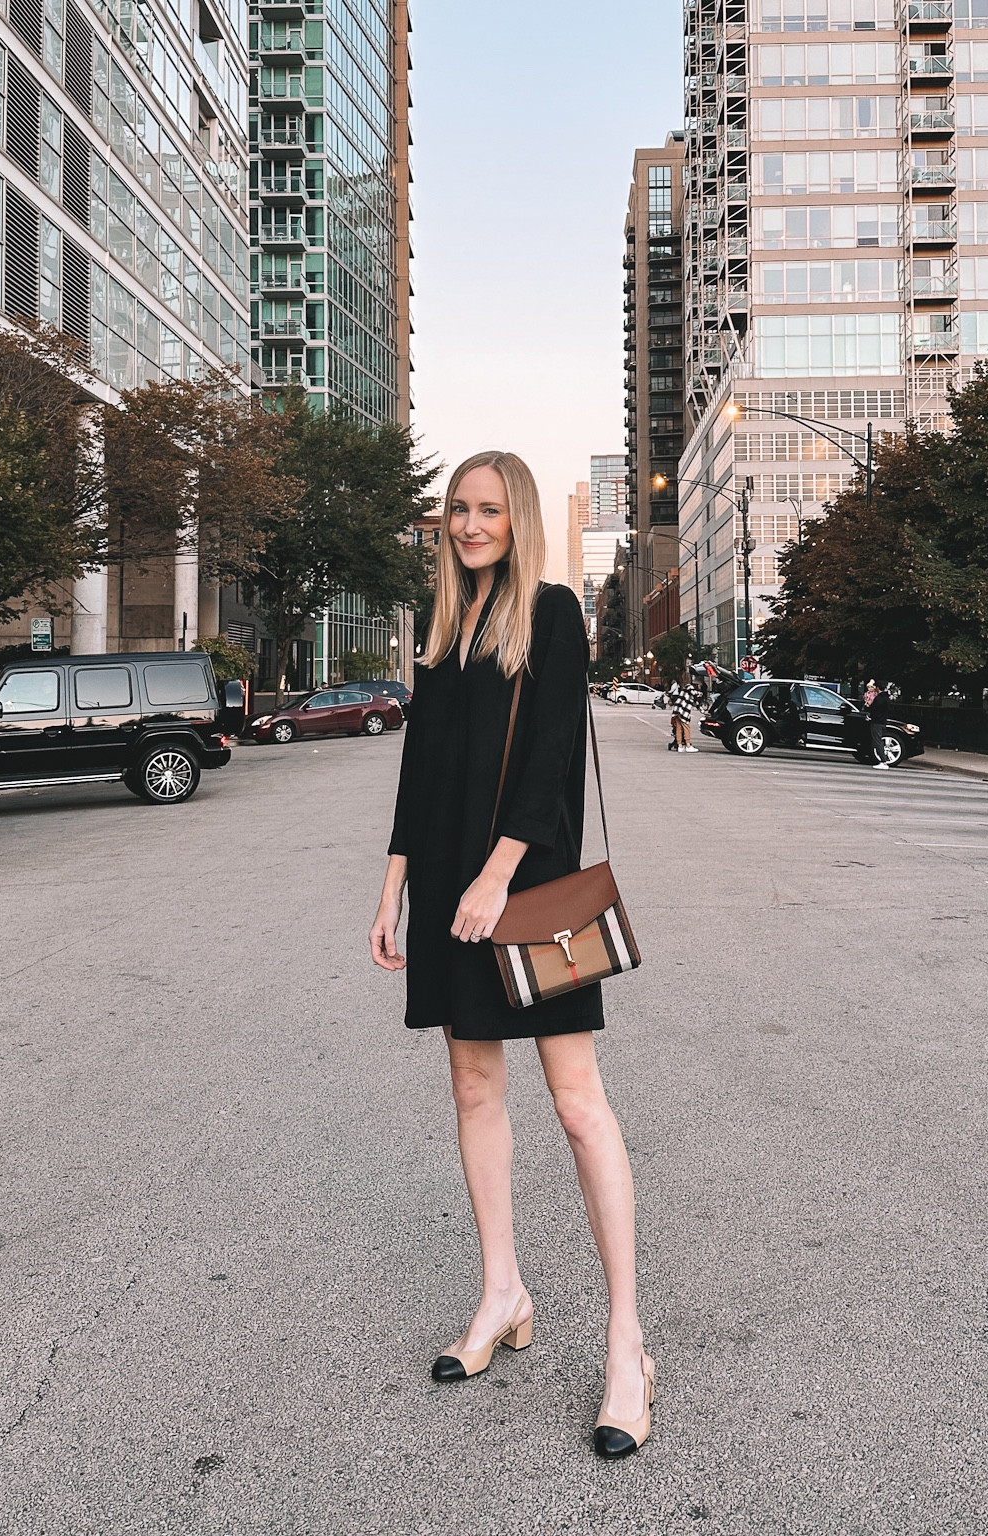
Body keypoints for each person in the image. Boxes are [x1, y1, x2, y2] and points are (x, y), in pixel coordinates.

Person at [369, 450, 654, 1460]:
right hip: (451, 890)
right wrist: (395, 887)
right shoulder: (444, 628)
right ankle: (503, 1293)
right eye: (458, 508)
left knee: (578, 1103)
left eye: (488, 509)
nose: (470, 524)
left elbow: (548, 763)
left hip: (529, 893)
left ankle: (628, 1345)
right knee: (473, 1086)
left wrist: (497, 876)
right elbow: (420, 769)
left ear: (517, 516)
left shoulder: (553, 612)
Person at [867, 682, 893, 769]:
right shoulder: (887, 698)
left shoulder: (878, 699)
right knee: (880, 741)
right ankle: (883, 760)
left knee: (877, 741)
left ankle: (883, 761)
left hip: (876, 722)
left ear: (878, 688)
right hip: (883, 722)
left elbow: (873, 709)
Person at [669, 671, 696, 753]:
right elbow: (694, 694)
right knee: (686, 727)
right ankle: (688, 745)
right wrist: (700, 693)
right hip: (683, 710)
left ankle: (680, 745)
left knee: (679, 728)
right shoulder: (689, 687)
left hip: (677, 709)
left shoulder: (683, 687)